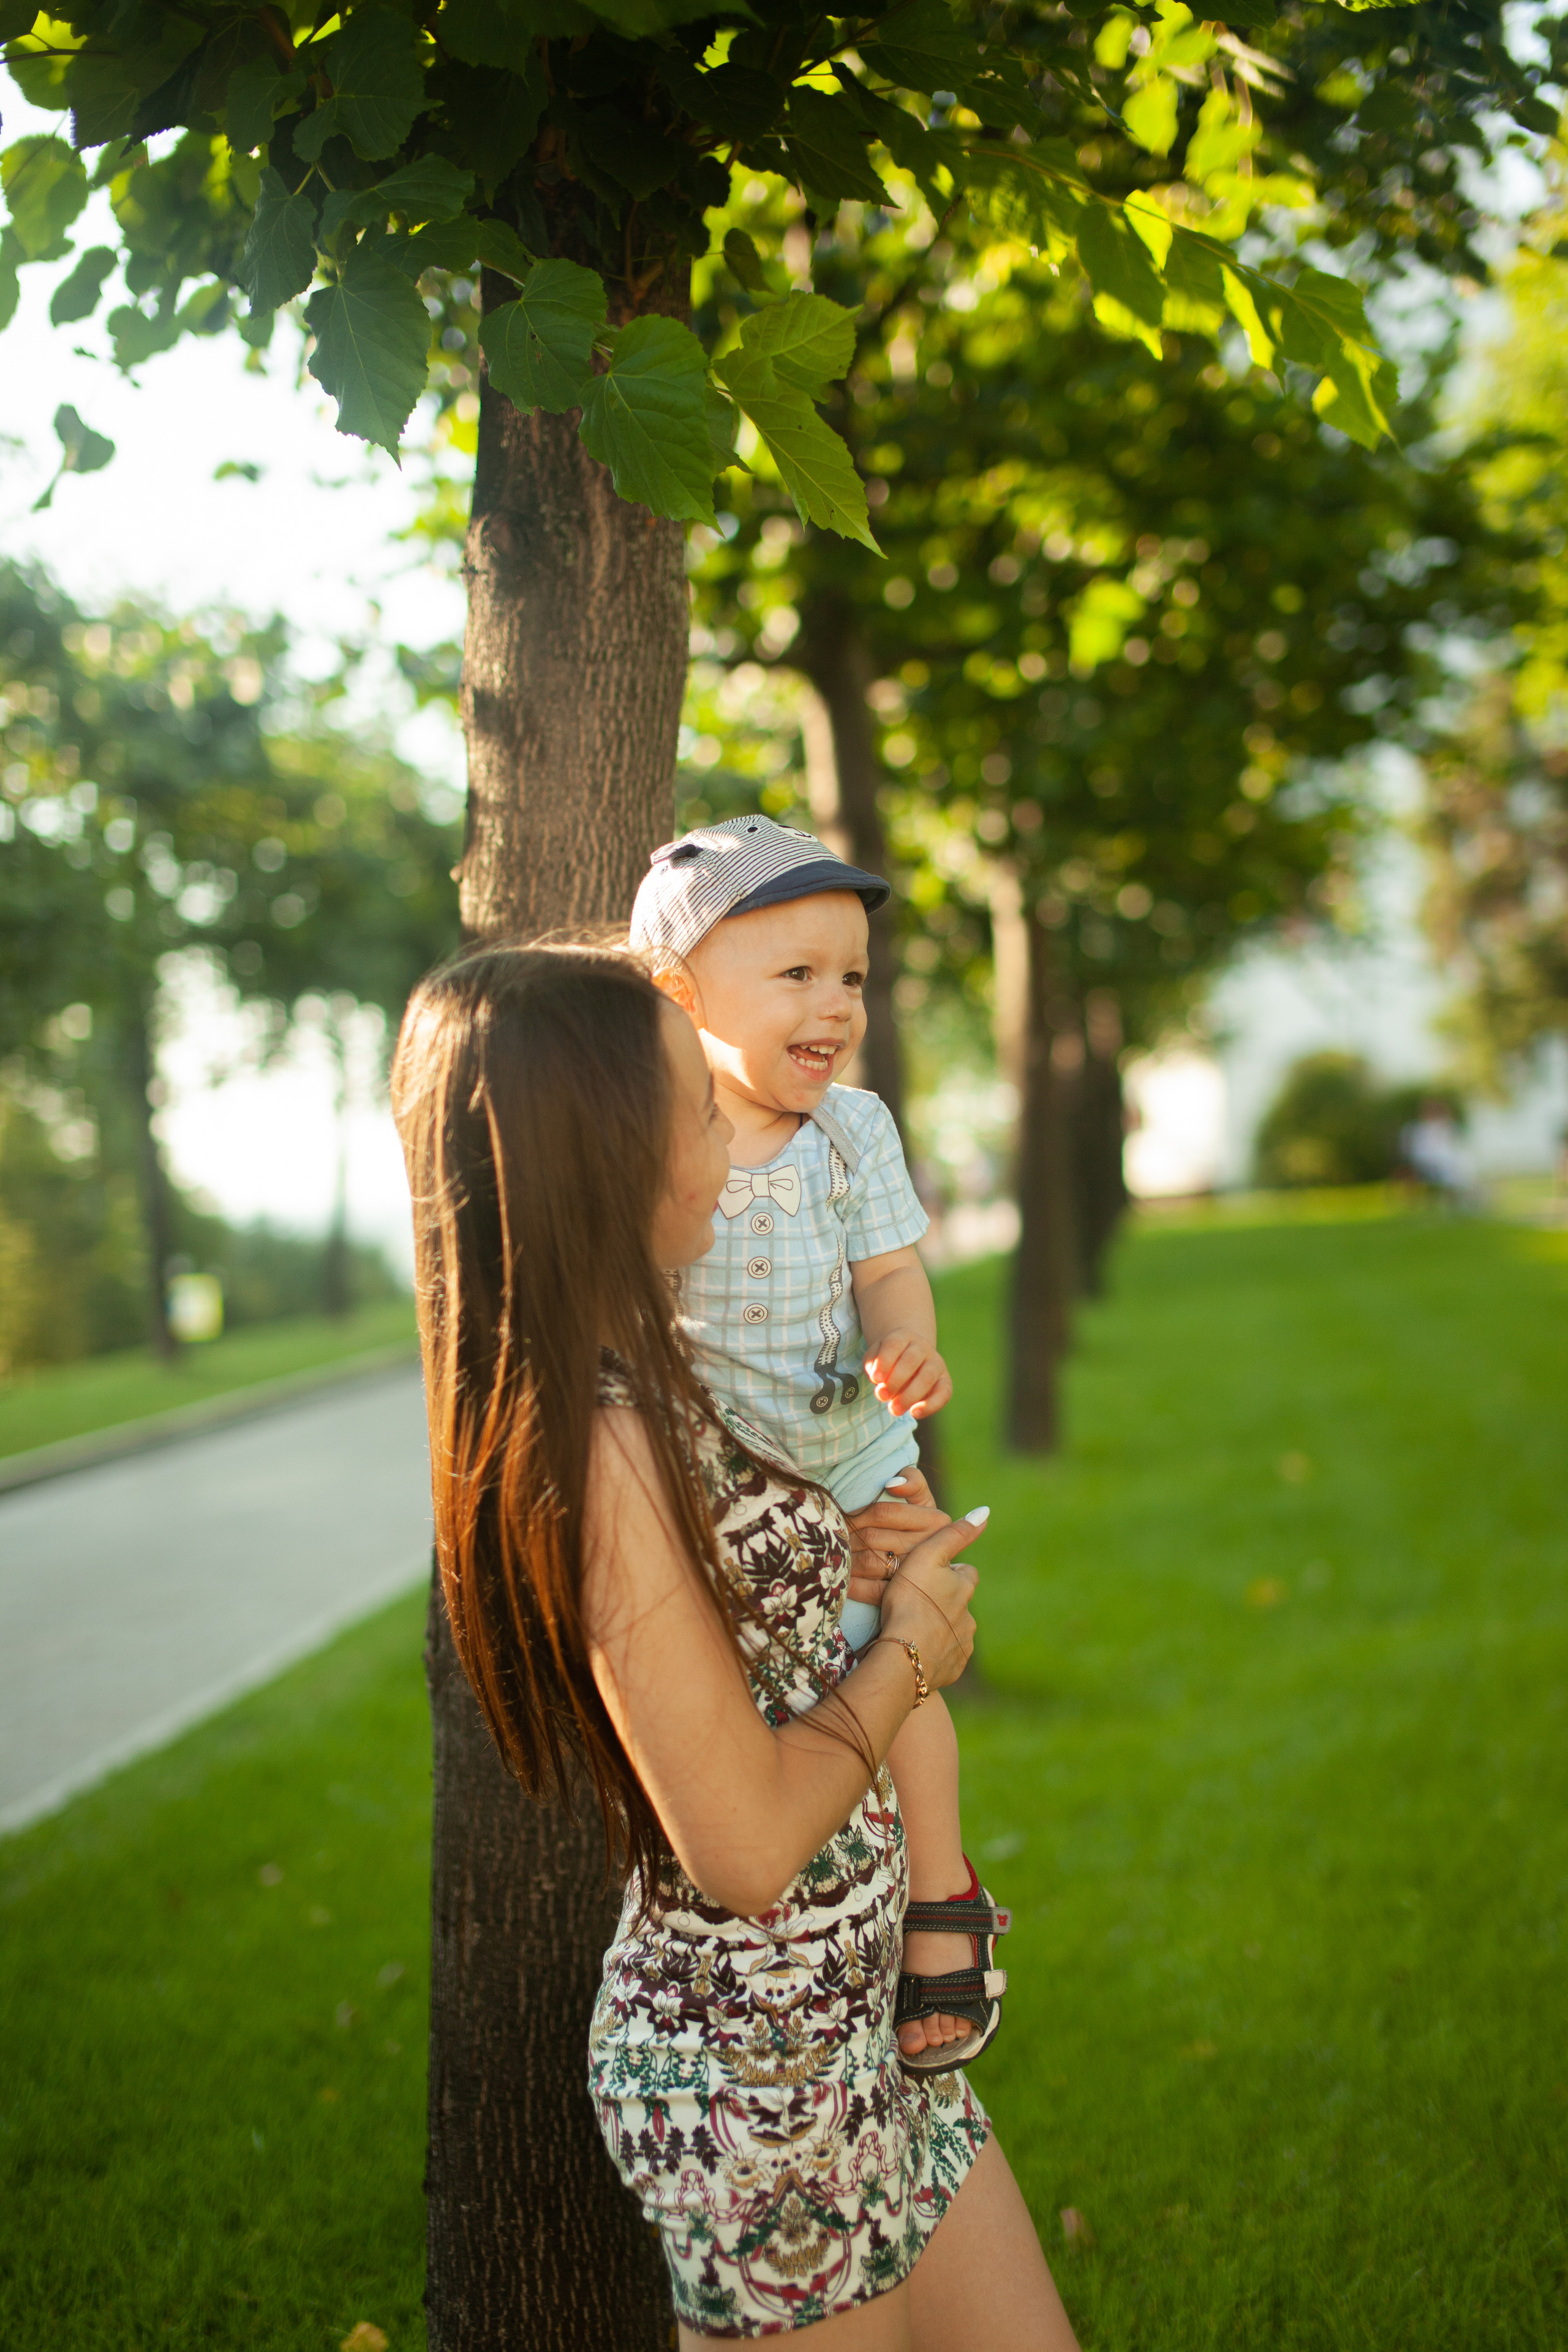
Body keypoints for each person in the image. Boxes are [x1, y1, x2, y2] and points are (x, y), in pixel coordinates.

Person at [392, 941, 1080, 2348]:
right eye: (698, 1114)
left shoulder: (668, 1378)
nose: (731, 1142)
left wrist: (848, 1564)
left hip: (857, 2027)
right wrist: (910, 1654)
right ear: (610, 1157)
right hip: (749, 2083)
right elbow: (745, 1847)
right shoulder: (601, 1454)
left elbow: (741, 1623)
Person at [630, 815, 997, 2074]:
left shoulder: (854, 1130)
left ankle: (939, 1893)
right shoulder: (657, 1144)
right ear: (678, 992)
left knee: (897, 1666)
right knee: (771, 1694)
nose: (835, 1004)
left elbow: (889, 1270)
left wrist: (907, 1342)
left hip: (849, 1453)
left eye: (850, 976)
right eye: (795, 974)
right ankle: (798, 1920)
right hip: (726, 1484)